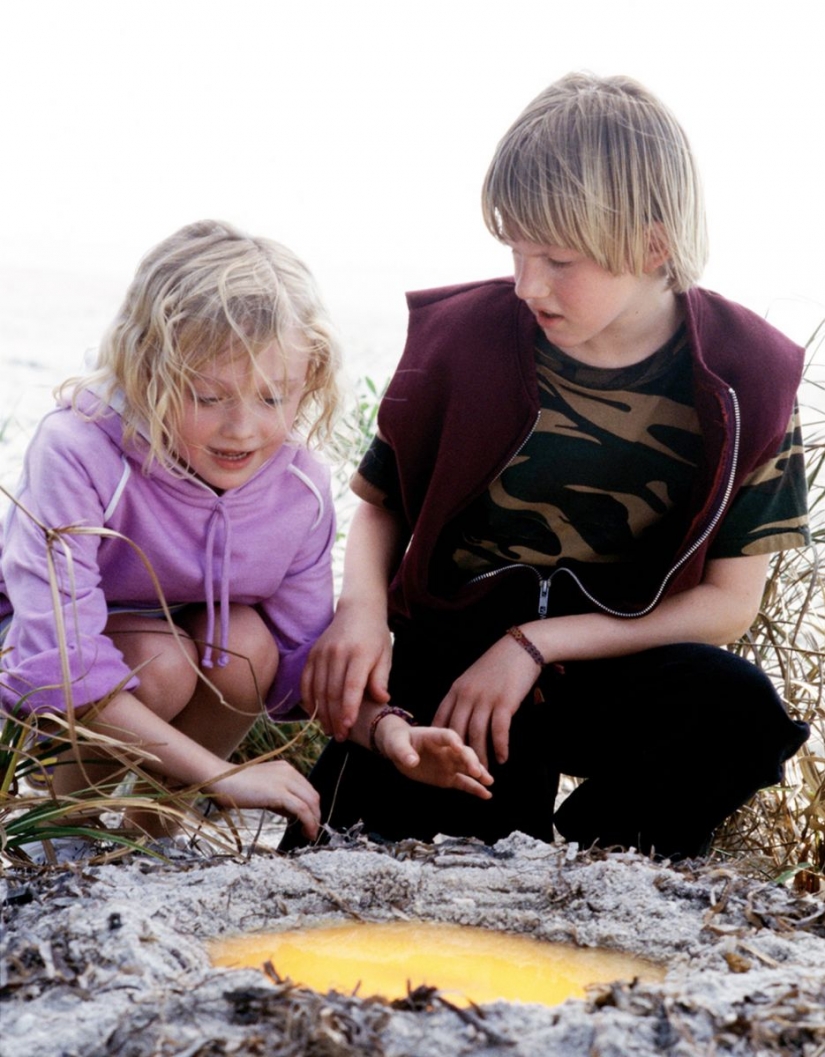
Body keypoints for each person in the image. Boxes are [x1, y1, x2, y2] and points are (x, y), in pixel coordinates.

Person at [291, 74, 811, 860]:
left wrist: (537, 643)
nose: (527, 284)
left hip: (608, 667)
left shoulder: (748, 378)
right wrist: (361, 608)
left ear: (651, 244)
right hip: (452, 665)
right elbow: (380, 503)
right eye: (516, 251)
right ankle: (511, 837)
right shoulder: (461, 340)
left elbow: (728, 604)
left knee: (737, 710)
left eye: (557, 260)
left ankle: (594, 856)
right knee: (400, 837)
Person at [0, 220, 492, 845]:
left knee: (250, 646)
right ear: (146, 370)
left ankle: (154, 828)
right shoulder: (75, 450)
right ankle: (65, 827)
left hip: (167, 652)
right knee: (164, 665)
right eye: (208, 397)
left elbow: (301, 660)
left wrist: (389, 730)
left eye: (272, 397)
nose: (243, 429)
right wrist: (222, 777)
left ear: (307, 382)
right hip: (42, 663)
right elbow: (59, 663)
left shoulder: (300, 491)